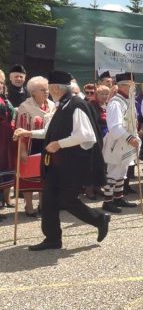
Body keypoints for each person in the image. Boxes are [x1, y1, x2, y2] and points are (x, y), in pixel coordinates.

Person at [13, 70, 111, 250]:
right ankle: (52, 239)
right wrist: (28, 133)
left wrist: (59, 144)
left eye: (49, 88)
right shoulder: (61, 106)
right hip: (56, 165)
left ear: (57, 88)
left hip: (71, 164)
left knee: (67, 199)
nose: (49, 92)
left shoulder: (76, 105)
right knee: (49, 199)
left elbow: (86, 135)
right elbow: (47, 132)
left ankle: (99, 219)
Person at [15, 76, 55, 216]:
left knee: (45, 176)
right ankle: (29, 205)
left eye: (47, 89)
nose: (47, 92)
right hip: (31, 144)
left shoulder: (52, 105)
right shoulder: (25, 108)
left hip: (47, 145)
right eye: (42, 90)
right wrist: (23, 151)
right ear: (33, 93)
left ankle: (43, 204)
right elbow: (20, 131)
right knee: (29, 175)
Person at [100, 72, 140, 213]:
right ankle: (108, 201)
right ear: (123, 86)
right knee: (113, 171)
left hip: (126, 141)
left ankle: (118, 197)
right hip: (118, 141)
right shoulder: (116, 103)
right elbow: (114, 126)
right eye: (132, 86)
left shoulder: (128, 100)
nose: (134, 89)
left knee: (122, 170)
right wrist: (130, 138)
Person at [0, 70, 16, 212]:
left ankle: (6, 198)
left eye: (1, 82)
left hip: (6, 136)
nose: (0, 84)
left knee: (7, 165)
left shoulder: (5, 99)